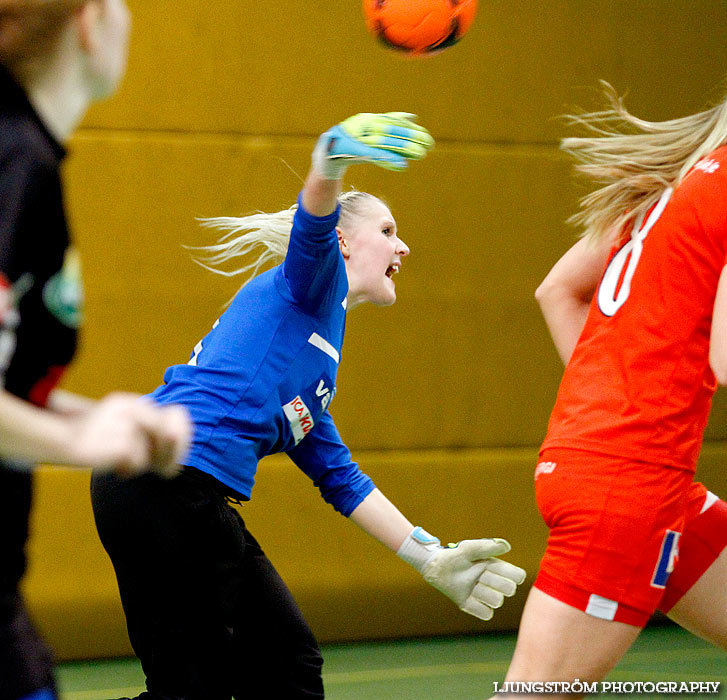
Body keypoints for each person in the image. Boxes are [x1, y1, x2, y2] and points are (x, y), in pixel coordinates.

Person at [91, 111, 528, 700]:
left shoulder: (320, 352)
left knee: (273, 669)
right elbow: (315, 218)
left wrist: (430, 558)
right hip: (164, 485)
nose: (404, 245)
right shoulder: (312, 282)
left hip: (164, 493)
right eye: (389, 230)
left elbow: (341, 478)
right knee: (231, 680)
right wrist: (331, 159)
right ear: (344, 242)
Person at [492, 83, 727, 698]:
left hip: (612, 469)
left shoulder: (674, 183)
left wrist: (613, 404)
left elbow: (557, 290)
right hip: (626, 486)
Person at [0, 2, 191, 699]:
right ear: (89, 23)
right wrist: (80, 442)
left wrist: (98, 420)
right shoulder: (13, 162)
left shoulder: (29, 158)